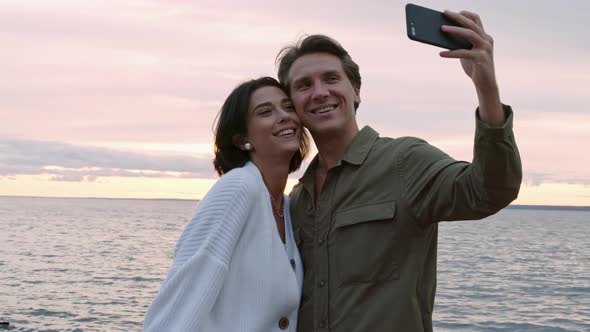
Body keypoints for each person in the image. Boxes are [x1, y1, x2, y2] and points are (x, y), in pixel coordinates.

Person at [275, 10, 522, 332]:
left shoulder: (405, 160)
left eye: (332, 78)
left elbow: (489, 191)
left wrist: (486, 86)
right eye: (304, 85)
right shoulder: (297, 199)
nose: (320, 92)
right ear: (293, 104)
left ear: (356, 90)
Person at [143, 77, 310, 331]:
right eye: (266, 112)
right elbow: (182, 298)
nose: (284, 116)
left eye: (288, 107)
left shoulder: (285, 206)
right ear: (242, 138)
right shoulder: (238, 188)